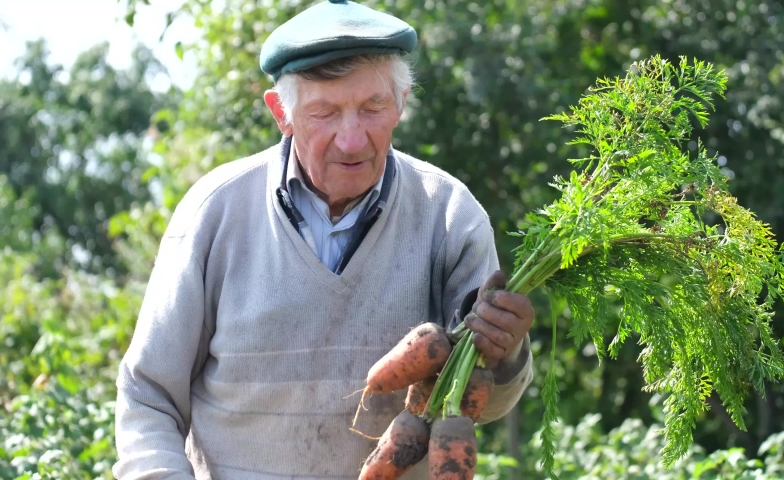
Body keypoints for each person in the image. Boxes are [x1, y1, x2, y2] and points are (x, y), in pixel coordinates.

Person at [112, 1, 534, 478]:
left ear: (401, 102)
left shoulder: (450, 216)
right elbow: (149, 396)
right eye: (325, 113)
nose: (351, 139)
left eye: (372, 107)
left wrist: (505, 353)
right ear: (281, 113)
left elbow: (483, 403)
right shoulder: (216, 213)